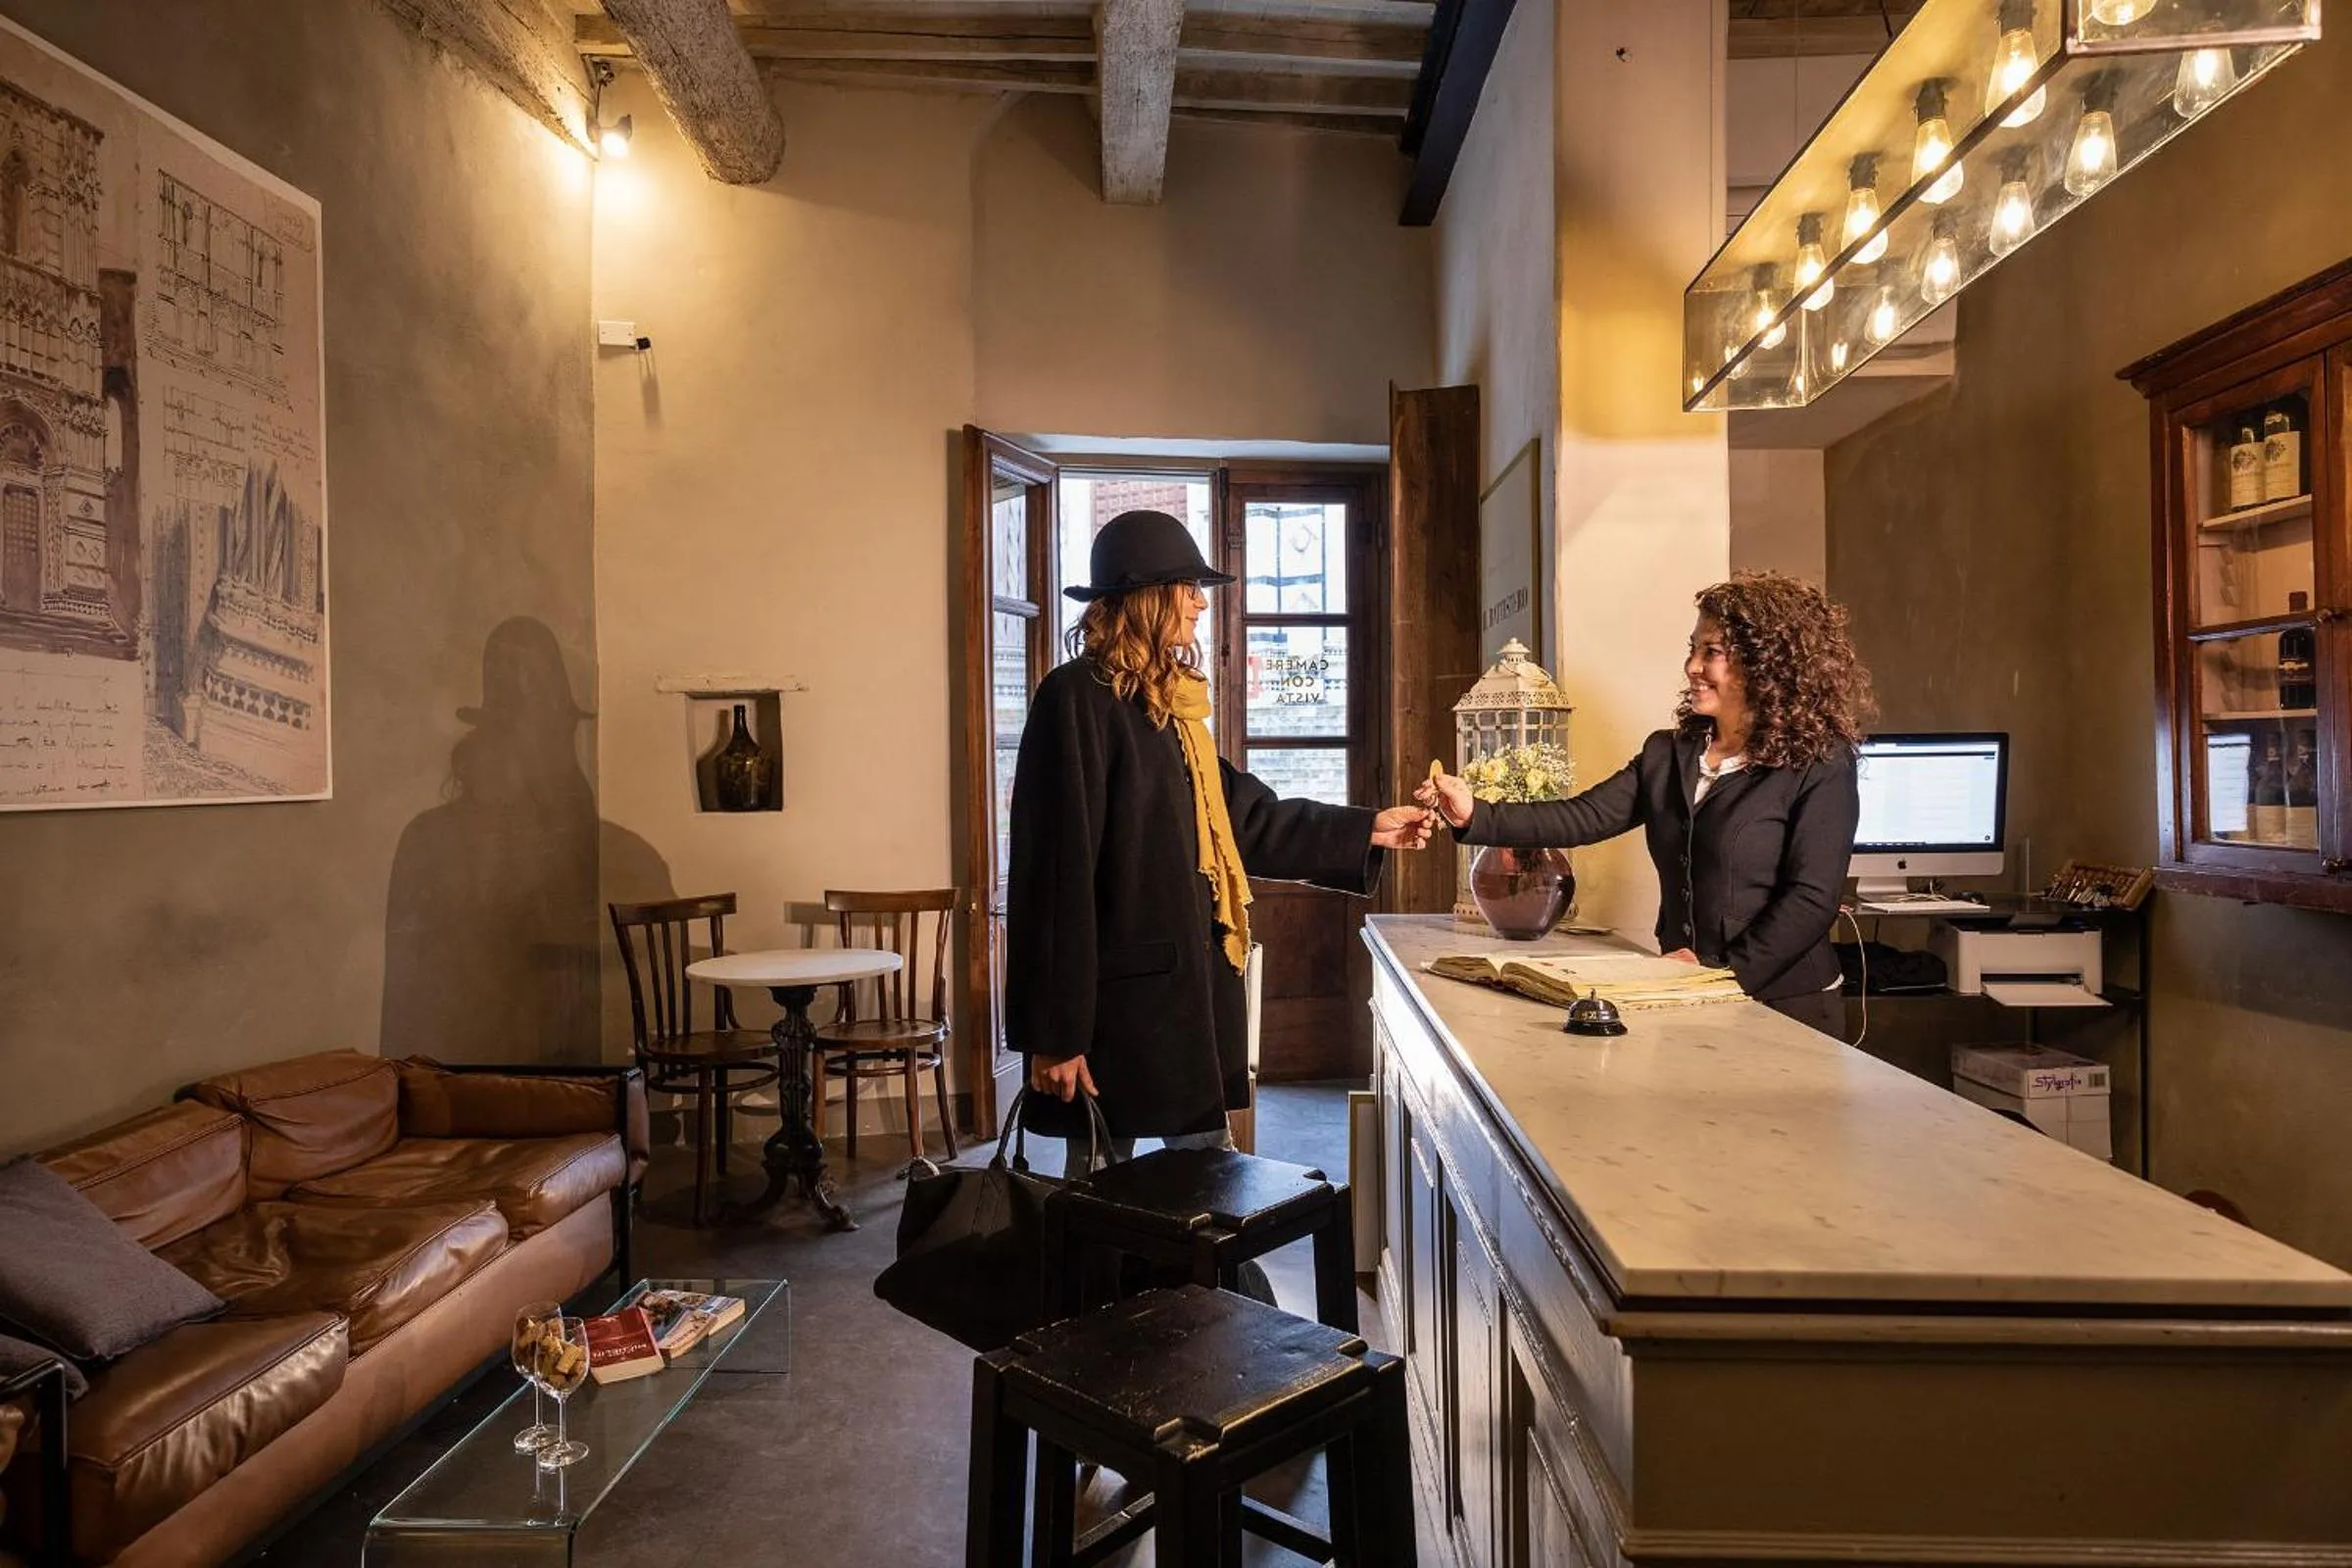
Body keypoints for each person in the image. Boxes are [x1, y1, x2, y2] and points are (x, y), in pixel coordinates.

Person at [1007, 510, 1431, 1173]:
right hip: (1111, 1012)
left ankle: (1199, 1282)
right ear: (1148, 596)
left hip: (1181, 1000)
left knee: (1205, 1176)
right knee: (1094, 1195)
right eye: (1188, 586)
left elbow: (1245, 819)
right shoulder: (1076, 701)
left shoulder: (1173, 709)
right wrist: (1056, 1035)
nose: (1202, 602)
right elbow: (1055, 875)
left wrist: (1366, 827)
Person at [1416, 571, 1875, 1039]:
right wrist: (1476, 812)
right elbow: (1583, 816)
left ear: (1764, 663)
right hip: (1684, 992)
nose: (1692, 666)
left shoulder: (1820, 762)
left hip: (1786, 1004)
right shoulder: (1669, 754)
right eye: (1692, 649)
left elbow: (1811, 899)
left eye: (1710, 652)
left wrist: (1716, 972)